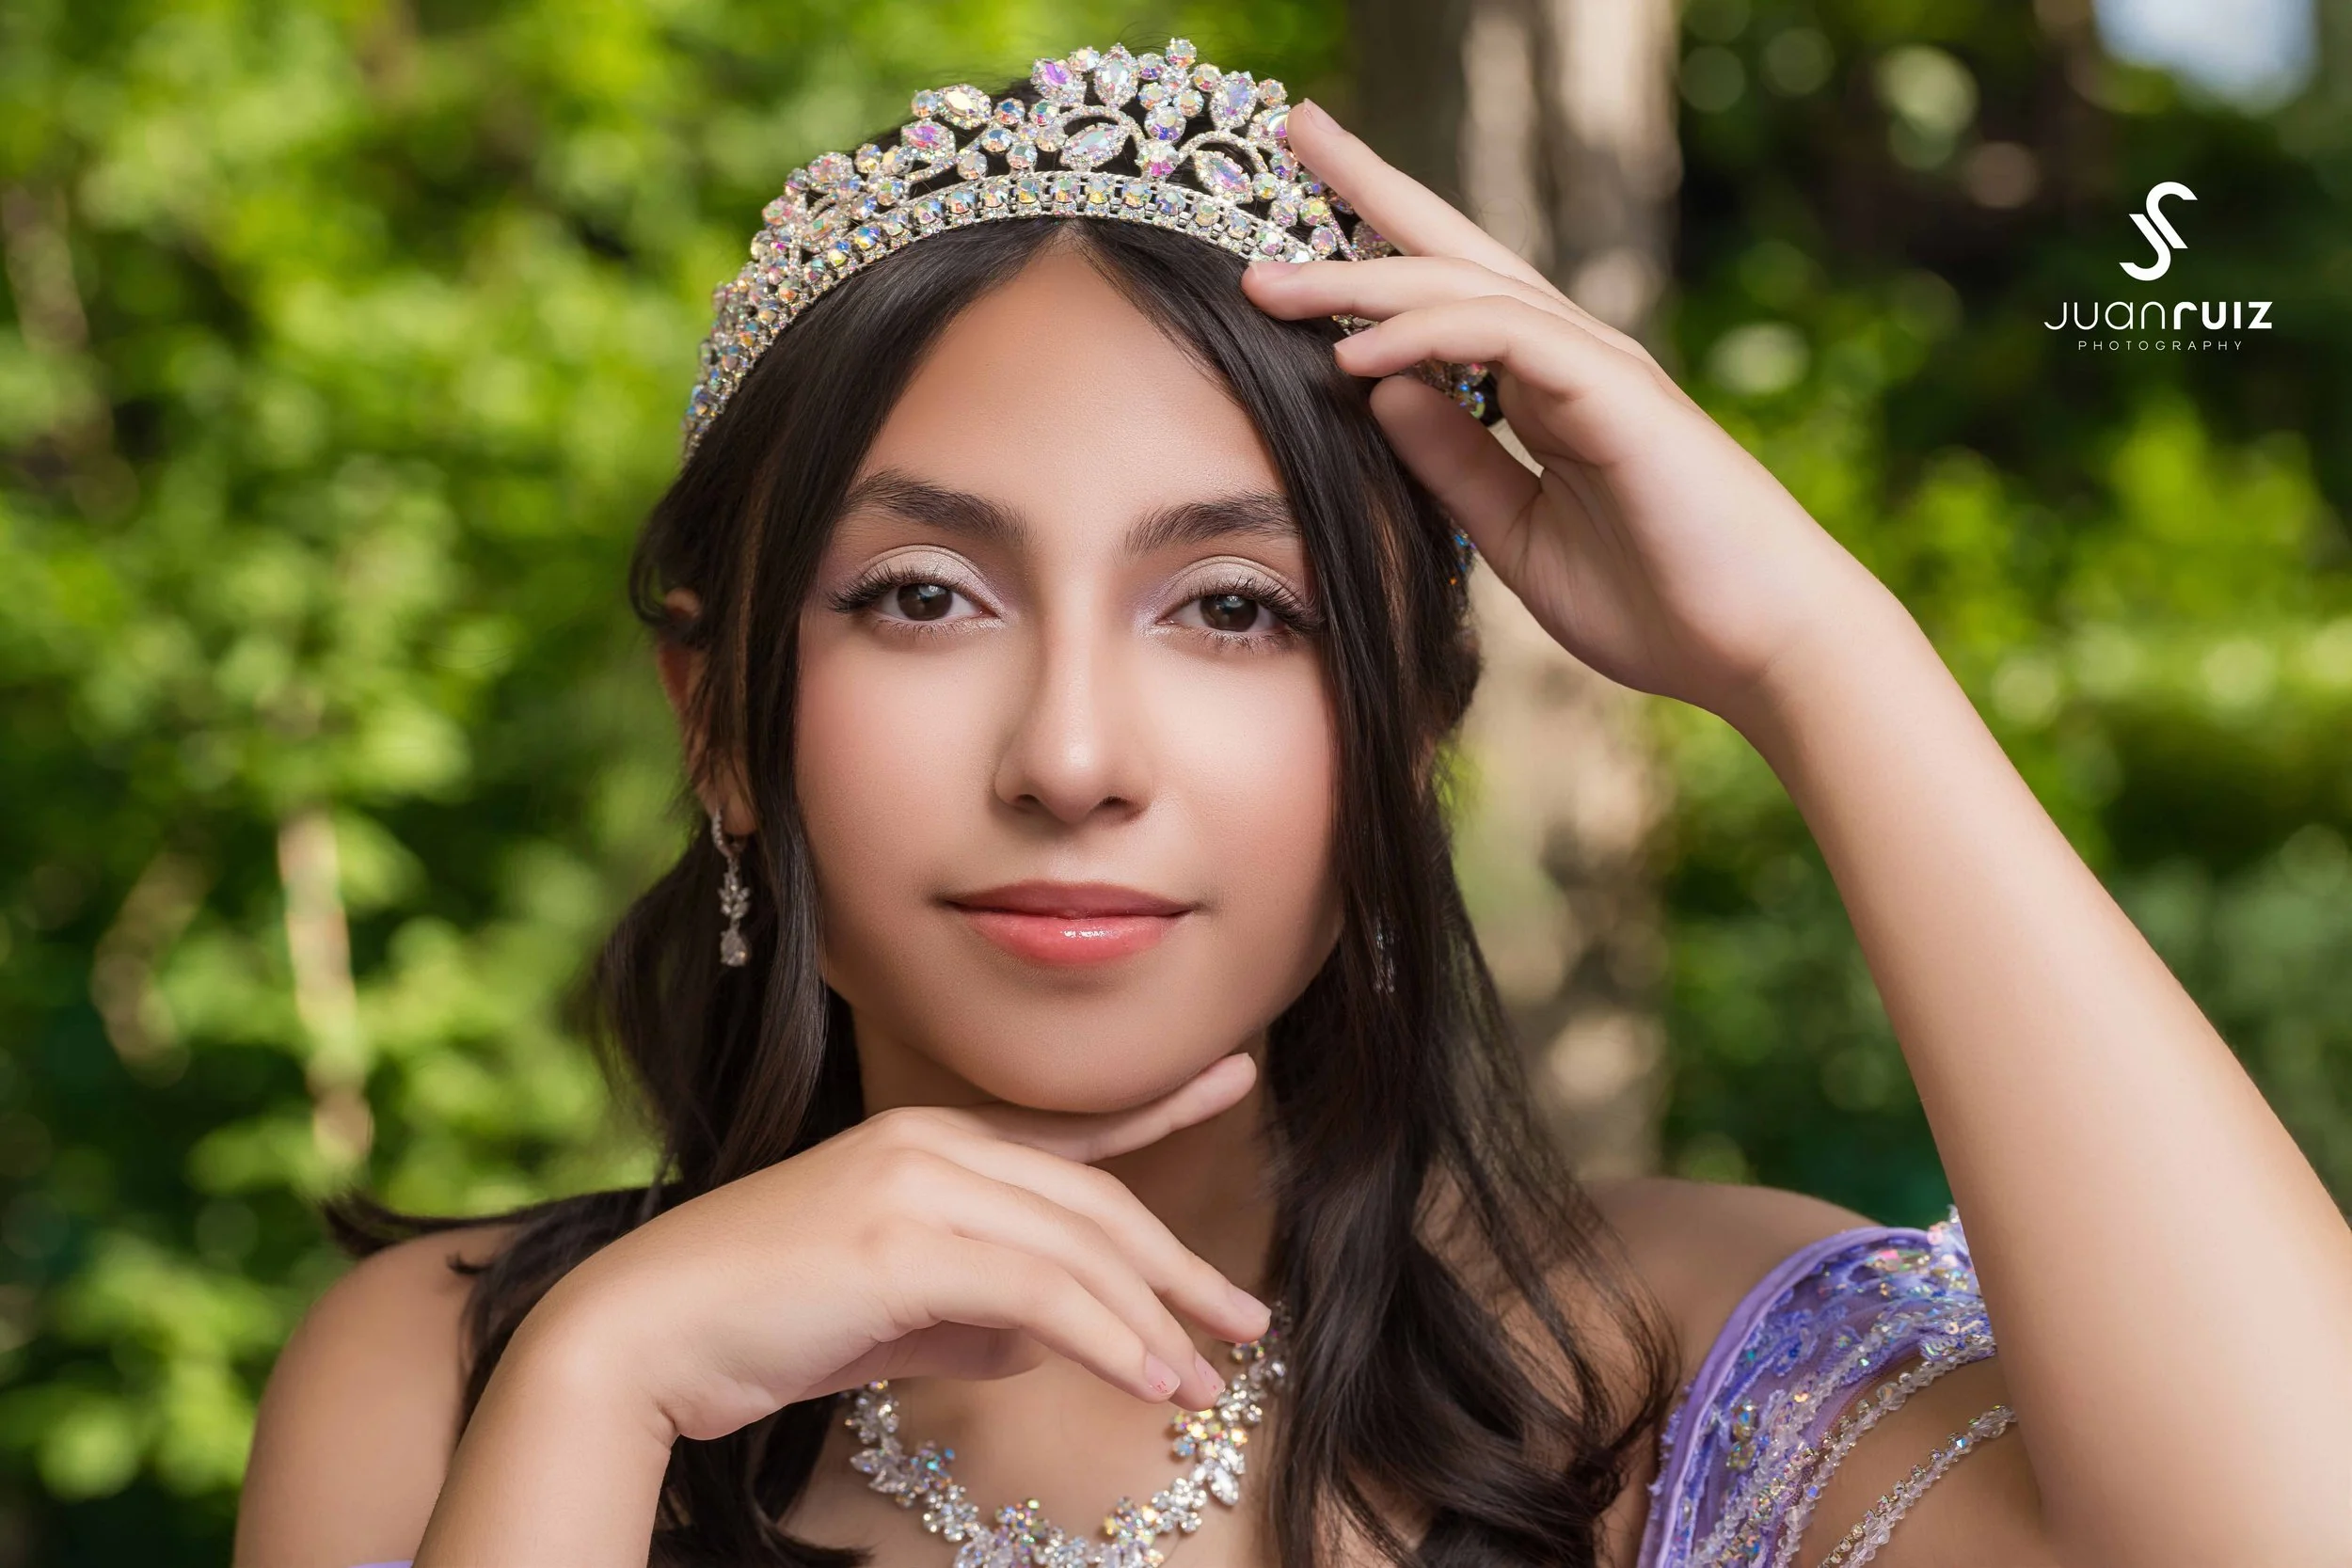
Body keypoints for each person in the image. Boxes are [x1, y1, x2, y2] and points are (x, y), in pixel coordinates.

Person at [230, 40, 2350, 1568]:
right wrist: (608, 1385)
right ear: (718, 716)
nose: (1071, 753)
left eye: (1230, 606)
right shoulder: (455, 1372)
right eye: (923, 595)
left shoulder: (1684, 1365)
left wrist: (1812, 652)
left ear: (1403, 726)